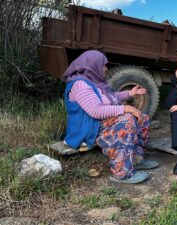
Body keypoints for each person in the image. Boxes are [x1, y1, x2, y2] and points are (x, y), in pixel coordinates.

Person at [62, 50, 158, 184]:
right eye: (104, 65)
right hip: (89, 128)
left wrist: (130, 93)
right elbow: (95, 111)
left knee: (143, 117)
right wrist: (127, 108)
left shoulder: (93, 81)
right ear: (93, 65)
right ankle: (122, 173)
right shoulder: (80, 85)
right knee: (127, 120)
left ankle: (136, 159)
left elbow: (109, 98)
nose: (106, 69)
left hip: (98, 124)